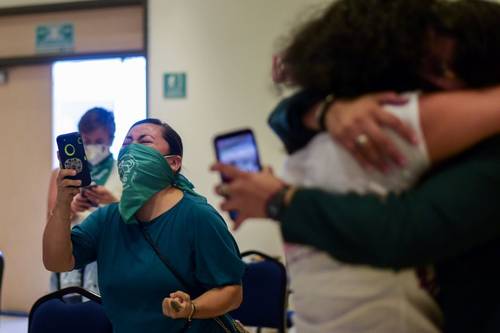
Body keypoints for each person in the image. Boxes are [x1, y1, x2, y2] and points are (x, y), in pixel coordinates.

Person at [212, 0, 500, 332]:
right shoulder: (371, 122)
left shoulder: (355, 128)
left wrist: (281, 200)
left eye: (446, 66)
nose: (437, 81)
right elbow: (285, 116)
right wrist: (326, 109)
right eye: (427, 64)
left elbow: (402, 231)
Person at [43, 118, 245, 333]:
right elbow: (56, 261)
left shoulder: (198, 217)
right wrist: (64, 202)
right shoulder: (107, 219)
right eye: (127, 142)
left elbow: (232, 291)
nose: (131, 148)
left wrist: (192, 308)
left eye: (144, 141)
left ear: (173, 163)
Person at [47, 107, 122, 294]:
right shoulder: (62, 174)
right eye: (86, 141)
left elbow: (138, 222)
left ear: (111, 139)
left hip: (111, 258)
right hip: (70, 257)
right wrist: (70, 207)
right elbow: (49, 223)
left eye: (99, 141)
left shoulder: (123, 173)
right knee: (67, 314)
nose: (92, 147)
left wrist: (113, 203)